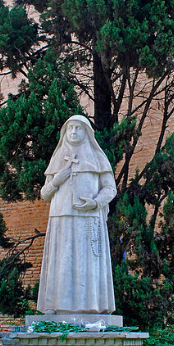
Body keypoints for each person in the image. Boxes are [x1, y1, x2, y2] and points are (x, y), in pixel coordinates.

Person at [37, 115, 116, 315]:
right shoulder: (57, 158)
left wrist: (95, 203)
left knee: (86, 263)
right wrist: (56, 181)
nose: (73, 132)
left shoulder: (98, 158)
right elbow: (45, 194)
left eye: (78, 128)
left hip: (88, 218)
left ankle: (91, 306)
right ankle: (56, 305)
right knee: (62, 262)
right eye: (70, 128)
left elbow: (110, 189)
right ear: (65, 132)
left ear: (87, 132)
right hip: (61, 219)